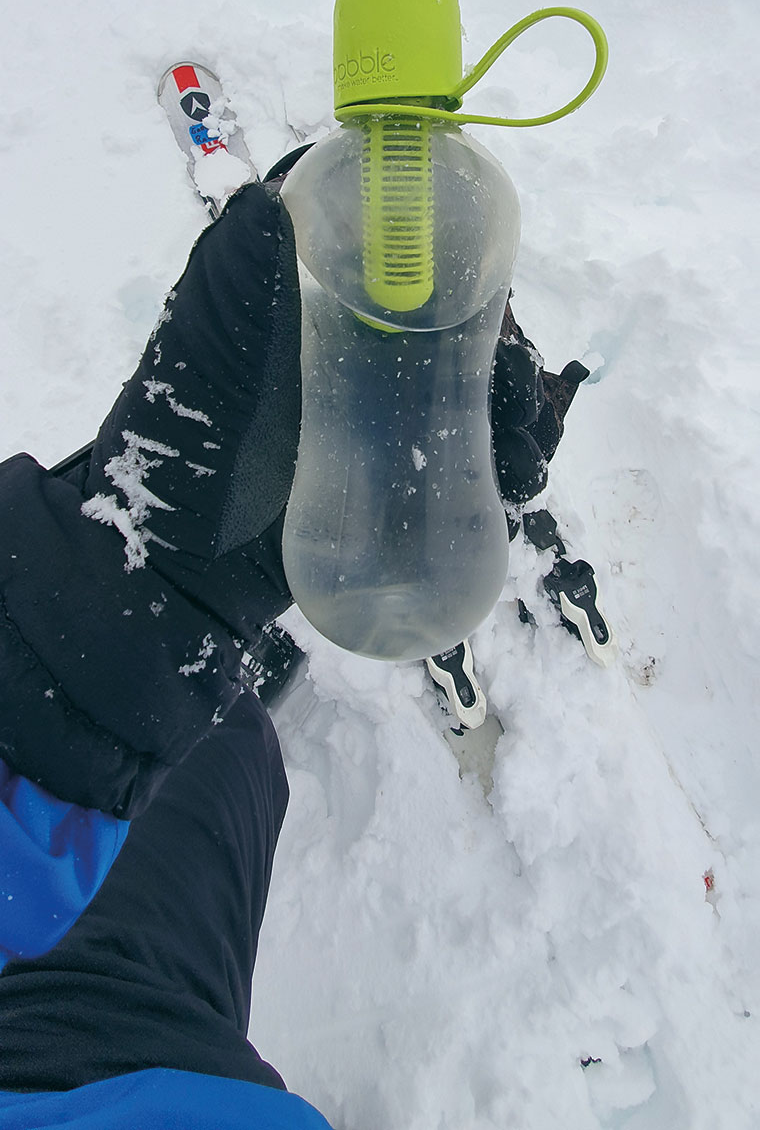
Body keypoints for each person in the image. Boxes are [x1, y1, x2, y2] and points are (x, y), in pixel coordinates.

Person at [0, 162, 604, 1127]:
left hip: (77, 1016)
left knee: (225, 744)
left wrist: (136, 599)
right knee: (231, 749)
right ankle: (225, 684)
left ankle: (216, 670)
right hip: (167, 1058)